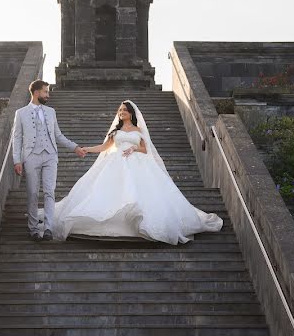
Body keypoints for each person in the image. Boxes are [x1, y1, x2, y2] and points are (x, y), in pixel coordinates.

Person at [52, 100, 223, 245]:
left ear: (131, 113)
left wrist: (134, 147)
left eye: (125, 110)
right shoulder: (115, 132)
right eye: (120, 110)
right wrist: (86, 149)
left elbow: (144, 149)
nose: (121, 113)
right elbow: (105, 147)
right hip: (116, 162)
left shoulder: (139, 130)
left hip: (137, 161)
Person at [12, 80, 86, 241]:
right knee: (32, 192)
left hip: (50, 155)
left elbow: (58, 135)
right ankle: (32, 229)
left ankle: (48, 228)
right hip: (31, 156)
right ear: (37, 92)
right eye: (45, 92)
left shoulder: (51, 111)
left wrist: (75, 147)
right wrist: (17, 160)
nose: (48, 95)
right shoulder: (21, 113)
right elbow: (16, 138)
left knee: (49, 192)